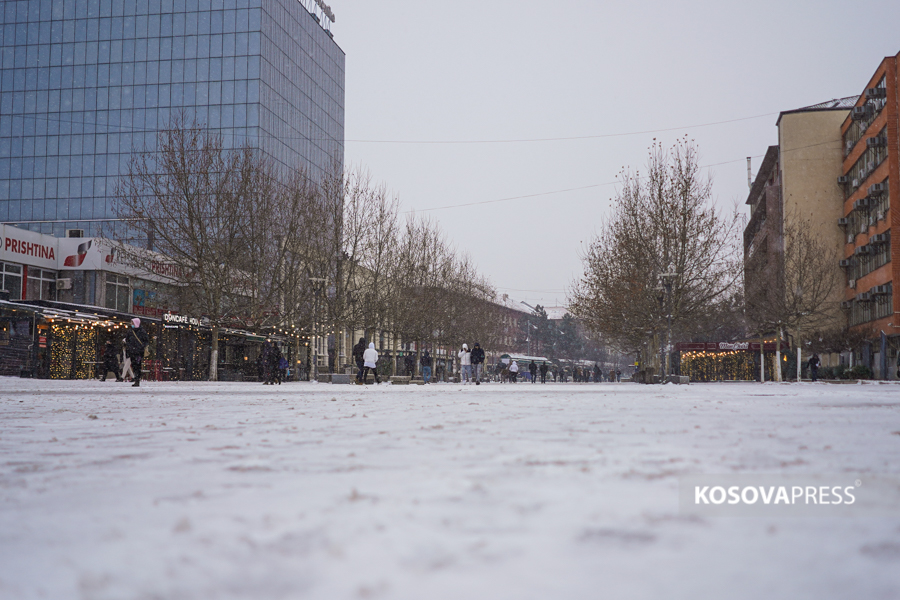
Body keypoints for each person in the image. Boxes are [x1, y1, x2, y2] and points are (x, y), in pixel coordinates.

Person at [125, 317, 149, 387]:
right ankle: (136, 378)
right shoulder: (130, 331)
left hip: (138, 352)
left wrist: (140, 347)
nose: (131, 324)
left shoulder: (142, 332)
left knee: (137, 366)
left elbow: (146, 341)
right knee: (134, 366)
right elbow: (127, 340)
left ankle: (137, 379)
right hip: (132, 352)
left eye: (132, 323)